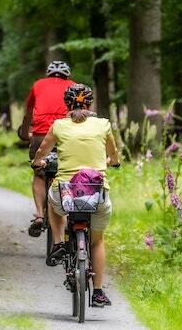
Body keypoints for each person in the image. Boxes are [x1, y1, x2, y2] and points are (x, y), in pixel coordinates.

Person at [31, 83, 120, 307]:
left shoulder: (59, 126)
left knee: (53, 202)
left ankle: (59, 242)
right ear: (90, 103)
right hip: (96, 194)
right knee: (97, 241)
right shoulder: (103, 125)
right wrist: (113, 162)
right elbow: (113, 154)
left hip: (66, 194)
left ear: (67, 105)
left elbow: (42, 150)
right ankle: (98, 292)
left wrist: (38, 161)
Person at [18, 61, 75, 237]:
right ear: (67, 75)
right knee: (68, 172)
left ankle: (39, 214)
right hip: (66, 133)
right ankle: (69, 213)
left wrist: (25, 132)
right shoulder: (73, 86)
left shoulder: (38, 85)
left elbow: (29, 113)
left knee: (39, 173)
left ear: (49, 74)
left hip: (41, 133)